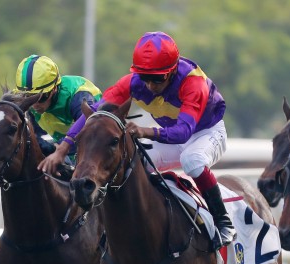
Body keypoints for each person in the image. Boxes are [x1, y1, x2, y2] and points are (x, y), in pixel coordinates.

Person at [65, 31, 235, 246]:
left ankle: (223, 220)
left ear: (172, 71)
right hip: (171, 136)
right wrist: (64, 145)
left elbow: (183, 132)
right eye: (145, 78)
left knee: (192, 161)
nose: (150, 85)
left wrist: (146, 131)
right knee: (135, 161)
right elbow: (94, 111)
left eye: (157, 78)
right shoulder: (133, 82)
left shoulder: (194, 84)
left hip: (207, 133)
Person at [13, 54, 102, 176]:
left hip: (95, 140)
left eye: (41, 97)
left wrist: (56, 148)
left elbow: (88, 134)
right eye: (28, 98)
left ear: (54, 88)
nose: (35, 104)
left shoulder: (78, 96)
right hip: (61, 141)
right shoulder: (31, 100)